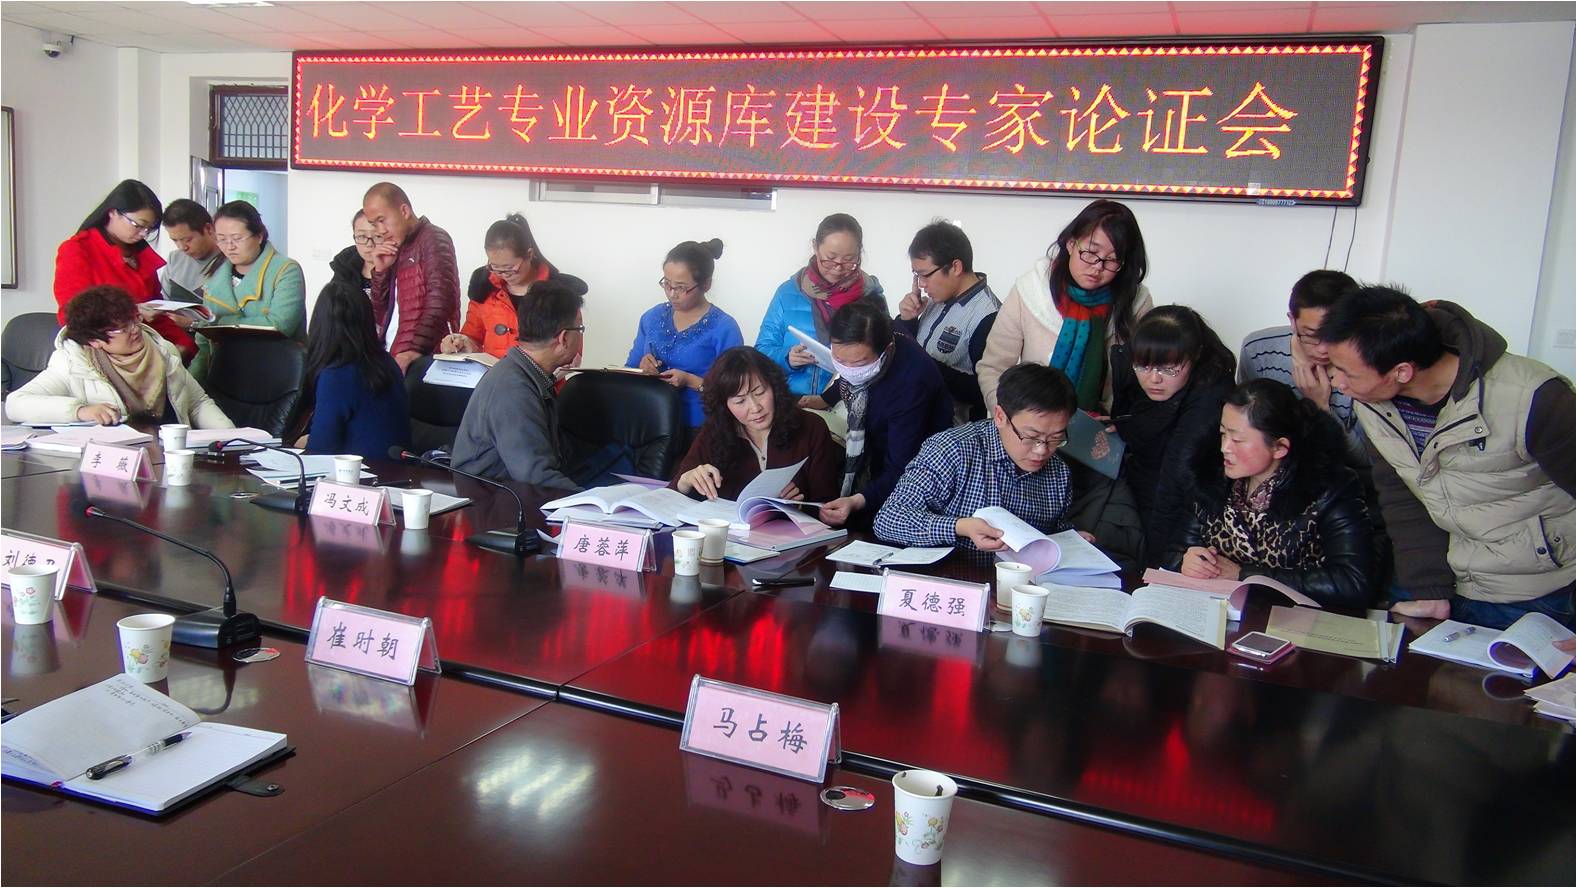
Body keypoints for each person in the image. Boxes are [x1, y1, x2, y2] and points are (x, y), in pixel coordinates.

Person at [1318, 286, 1575, 629]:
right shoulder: (1374, 404)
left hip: (1540, 590)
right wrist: (1428, 587)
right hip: (1450, 578)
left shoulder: (1534, 398)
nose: (1336, 382)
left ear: (1401, 372)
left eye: (1346, 372)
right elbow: (1402, 495)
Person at [1167, 380, 1377, 609]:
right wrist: (1186, 562)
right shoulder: (1210, 478)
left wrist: (1245, 575)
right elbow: (1174, 552)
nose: (1224, 448)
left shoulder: (1329, 488)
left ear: (1279, 447)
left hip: (1300, 620)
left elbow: (1352, 582)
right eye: (1222, 434)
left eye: (1237, 440)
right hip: (1220, 613)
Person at [873, 363, 1076, 551]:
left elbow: (1055, 533)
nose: (1042, 450)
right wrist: (960, 527)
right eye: (1031, 437)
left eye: (1055, 438)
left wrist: (1071, 541)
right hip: (950, 574)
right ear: (1000, 416)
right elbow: (889, 520)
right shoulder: (953, 450)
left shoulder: (1058, 473)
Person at [978, 198, 1153, 413]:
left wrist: (1116, 419)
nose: (1097, 267)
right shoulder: (1031, 290)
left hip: (1101, 425)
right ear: (1071, 244)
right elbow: (993, 367)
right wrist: (1012, 418)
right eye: (1090, 252)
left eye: (1112, 259)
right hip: (1030, 422)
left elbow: (1145, 379)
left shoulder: (1137, 303)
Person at [1109, 305, 1237, 561]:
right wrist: (1124, 426)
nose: (1154, 379)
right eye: (1143, 366)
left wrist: (1156, 564)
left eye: (1169, 369)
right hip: (1137, 488)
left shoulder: (1210, 397)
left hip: (1184, 507)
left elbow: (1176, 477)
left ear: (1196, 355)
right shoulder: (1133, 369)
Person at [7, 285, 232, 429]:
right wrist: (80, 411)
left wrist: (233, 438)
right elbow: (16, 404)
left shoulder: (163, 351)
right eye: (121, 328)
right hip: (113, 463)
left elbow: (197, 404)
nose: (134, 330)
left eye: (134, 320)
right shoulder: (74, 362)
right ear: (94, 341)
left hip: (169, 455)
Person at [811, 301, 952, 529]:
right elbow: (850, 378)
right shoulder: (879, 335)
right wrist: (826, 398)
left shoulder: (912, 383)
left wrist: (858, 501)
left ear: (886, 350)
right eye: (840, 360)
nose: (848, 369)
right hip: (879, 441)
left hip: (916, 465)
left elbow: (901, 465)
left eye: (859, 362)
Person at [450, 279, 583, 489]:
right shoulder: (514, 390)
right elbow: (537, 478)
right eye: (580, 329)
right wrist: (593, 505)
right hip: (491, 502)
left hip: (509, 495)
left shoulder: (526, 373)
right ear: (564, 338)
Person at [670, 347, 842, 502]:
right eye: (740, 401)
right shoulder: (715, 432)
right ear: (724, 404)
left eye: (760, 392)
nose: (755, 408)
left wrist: (797, 508)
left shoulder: (811, 427)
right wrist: (685, 481)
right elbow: (671, 495)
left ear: (774, 387)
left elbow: (828, 506)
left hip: (791, 528)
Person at [53, 179, 195, 363]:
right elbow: (72, 316)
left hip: (146, 345)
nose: (143, 234)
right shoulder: (78, 249)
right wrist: (133, 313)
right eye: (138, 225)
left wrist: (181, 344)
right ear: (113, 212)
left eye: (149, 229)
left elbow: (155, 311)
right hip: (105, 351)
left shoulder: (140, 254)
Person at [755, 213, 887, 397]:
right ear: (815, 247)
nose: (838, 268)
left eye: (849, 260)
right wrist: (787, 358)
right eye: (830, 258)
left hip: (850, 403)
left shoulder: (871, 297)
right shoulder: (788, 293)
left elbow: (884, 356)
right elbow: (761, 351)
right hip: (793, 402)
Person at [625, 238, 743, 428]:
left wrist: (690, 381)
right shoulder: (652, 317)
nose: (672, 294)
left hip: (700, 427)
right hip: (651, 423)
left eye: (681, 287)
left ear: (706, 285)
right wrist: (641, 367)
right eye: (667, 284)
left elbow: (736, 391)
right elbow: (628, 369)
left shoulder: (724, 328)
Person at [1239, 269, 1364, 447]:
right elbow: (1242, 423)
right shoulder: (1258, 351)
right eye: (1311, 335)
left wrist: (1320, 407)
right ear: (1292, 320)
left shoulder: (1364, 367)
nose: (1323, 349)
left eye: (1335, 335)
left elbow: (1362, 458)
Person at [187, 200, 306, 382]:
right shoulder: (215, 274)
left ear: (258, 236)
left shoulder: (285, 270)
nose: (229, 246)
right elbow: (203, 342)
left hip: (275, 373)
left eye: (237, 238)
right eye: (222, 239)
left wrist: (220, 323)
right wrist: (192, 384)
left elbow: (280, 325)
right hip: (225, 372)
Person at [895, 220, 1001, 422]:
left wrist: (925, 365)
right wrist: (907, 320)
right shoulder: (938, 297)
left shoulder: (989, 316)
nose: (921, 284)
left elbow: (984, 391)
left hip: (950, 431)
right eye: (917, 275)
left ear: (955, 267)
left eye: (925, 275)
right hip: (912, 415)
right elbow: (904, 352)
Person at [442, 214, 588, 359]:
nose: (504, 274)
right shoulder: (484, 290)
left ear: (529, 254)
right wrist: (461, 343)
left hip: (540, 373)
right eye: (495, 268)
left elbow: (572, 350)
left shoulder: (558, 293)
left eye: (510, 268)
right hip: (492, 372)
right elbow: (472, 336)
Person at [301, 281, 410, 461]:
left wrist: (302, 442)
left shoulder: (337, 375)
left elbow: (321, 449)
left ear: (320, 325)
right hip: (396, 472)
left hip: (357, 474)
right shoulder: (387, 362)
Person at [363, 182, 461, 372]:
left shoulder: (433, 237)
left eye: (382, 220)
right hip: (392, 354)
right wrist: (381, 271)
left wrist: (416, 350)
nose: (380, 230)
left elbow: (441, 300)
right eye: (374, 224)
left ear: (404, 211)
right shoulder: (396, 246)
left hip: (419, 358)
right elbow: (379, 314)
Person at [159, 199, 222, 295]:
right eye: (175, 240)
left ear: (208, 229)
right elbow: (164, 299)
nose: (182, 247)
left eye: (187, 240)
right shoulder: (175, 259)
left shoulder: (230, 261)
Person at [328, 209, 378, 299]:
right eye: (362, 236)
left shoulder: (399, 268)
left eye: (377, 236)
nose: (369, 244)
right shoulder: (344, 264)